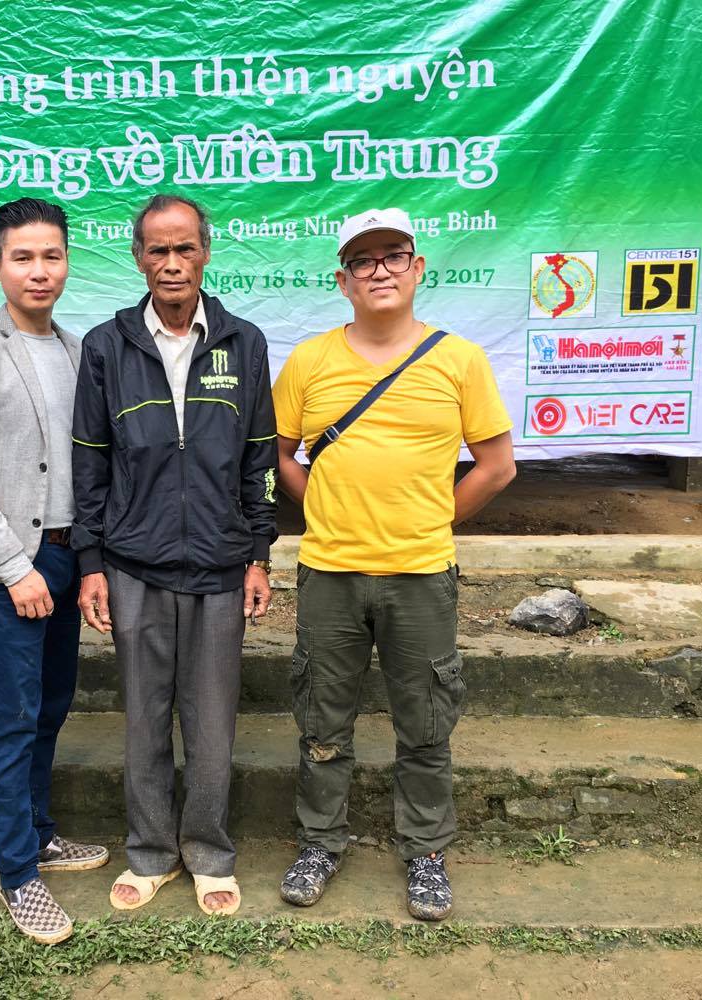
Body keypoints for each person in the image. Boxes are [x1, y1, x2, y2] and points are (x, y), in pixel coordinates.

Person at [272, 207, 516, 920]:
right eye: (363, 260)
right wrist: (324, 507)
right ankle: (319, 842)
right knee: (322, 722)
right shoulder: (309, 361)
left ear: (417, 269)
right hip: (331, 573)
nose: (379, 270)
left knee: (427, 724)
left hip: (421, 574)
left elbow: (497, 466)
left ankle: (426, 852)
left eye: (393, 256)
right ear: (343, 280)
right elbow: (280, 455)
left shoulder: (459, 360)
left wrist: (433, 519)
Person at [72, 194, 277, 917]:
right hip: (134, 563)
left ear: (206, 253)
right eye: (157, 250)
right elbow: (90, 462)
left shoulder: (243, 343)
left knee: (212, 720)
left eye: (184, 247)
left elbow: (259, 458)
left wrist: (258, 553)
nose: (171, 263)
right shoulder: (108, 346)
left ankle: (210, 853)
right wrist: (91, 562)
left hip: (221, 564)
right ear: (138, 258)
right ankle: (151, 852)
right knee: (144, 717)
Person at [0, 197, 108, 946]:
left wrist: (86, 562)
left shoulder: (78, 350)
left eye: (52, 256)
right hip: (7, 569)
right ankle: (17, 875)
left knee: (52, 706)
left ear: (67, 262)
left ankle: (39, 832)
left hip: (66, 556)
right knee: (10, 720)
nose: (40, 271)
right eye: (24, 257)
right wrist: (14, 568)